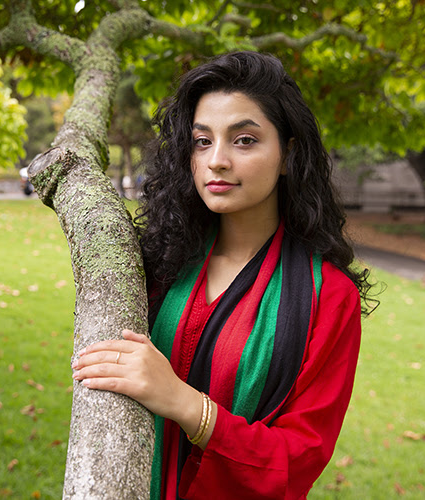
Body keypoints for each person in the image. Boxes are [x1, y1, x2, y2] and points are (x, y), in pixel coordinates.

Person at [72, 51, 375, 499]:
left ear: (288, 155)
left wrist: (184, 402)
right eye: (202, 141)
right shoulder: (156, 263)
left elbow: (298, 458)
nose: (217, 160)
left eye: (245, 140)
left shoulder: (328, 297)